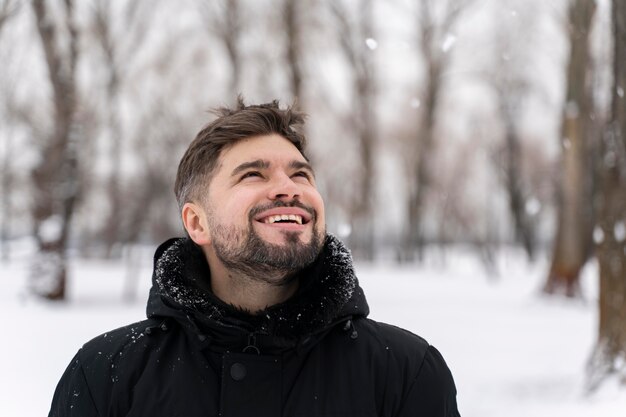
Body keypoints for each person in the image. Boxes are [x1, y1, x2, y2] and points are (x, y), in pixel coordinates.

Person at [48, 98, 461, 417]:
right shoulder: (106, 374)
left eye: (300, 174)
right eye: (253, 174)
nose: (288, 187)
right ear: (197, 223)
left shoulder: (405, 372)